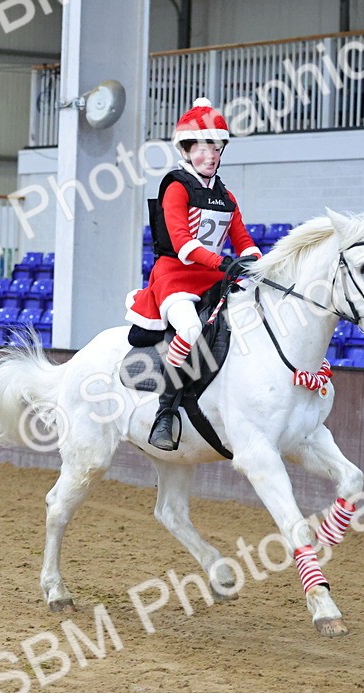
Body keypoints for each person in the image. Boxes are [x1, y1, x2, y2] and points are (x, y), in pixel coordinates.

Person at [125, 98, 261, 450]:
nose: (212, 155)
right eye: (203, 148)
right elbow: (182, 243)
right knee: (189, 328)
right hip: (174, 277)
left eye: (216, 148)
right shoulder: (176, 187)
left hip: (213, 279)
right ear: (186, 150)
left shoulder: (225, 195)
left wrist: (258, 263)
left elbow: (242, 239)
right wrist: (221, 263)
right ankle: (165, 412)